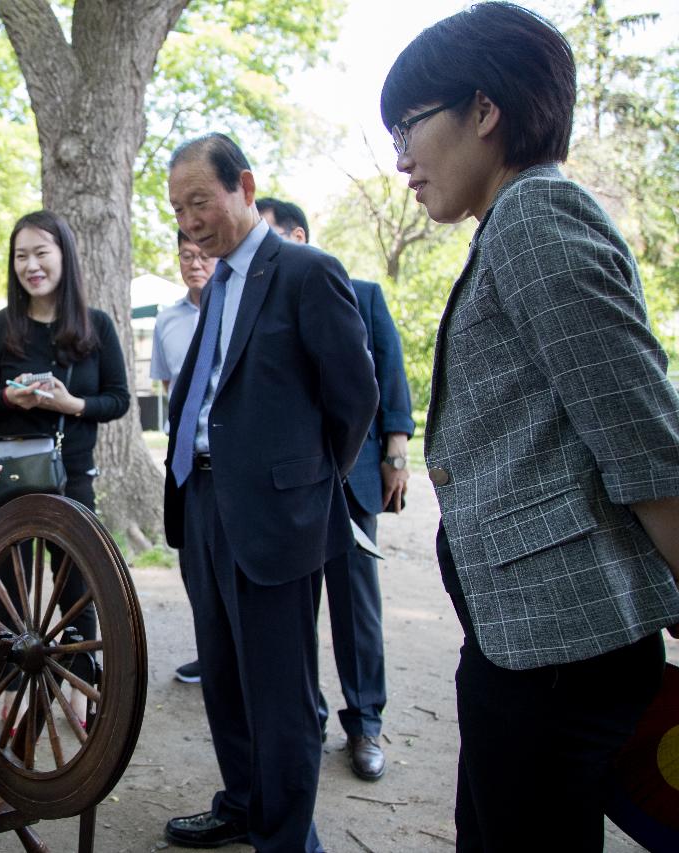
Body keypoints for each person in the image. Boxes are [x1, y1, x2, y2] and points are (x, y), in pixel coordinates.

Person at [381, 4, 679, 849]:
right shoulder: (510, 225)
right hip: (523, 651)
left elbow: (645, 442)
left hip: (564, 660)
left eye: (409, 125)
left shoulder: (538, 219)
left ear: (484, 110)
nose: (400, 158)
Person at [162, 134, 378, 851]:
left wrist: (306, 483)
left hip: (275, 515)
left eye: (201, 201)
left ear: (244, 186)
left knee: (281, 694)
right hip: (203, 506)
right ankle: (244, 801)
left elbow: (354, 397)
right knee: (222, 677)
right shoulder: (214, 282)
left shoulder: (307, 272)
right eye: (177, 208)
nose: (189, 221)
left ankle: (287, 839)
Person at [257, 197, 414, 781]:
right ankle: (306, 720)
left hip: (352, 480)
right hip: (286, 486)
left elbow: (389, 380)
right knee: (292, 609)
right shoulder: (254, 301)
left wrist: (396, 456)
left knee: (356, 606)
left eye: (270, 236)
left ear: (298, 234)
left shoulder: (362, 291)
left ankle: (366, 723)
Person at [0, 209, 131, 723]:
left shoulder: (95, 325)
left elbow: (119, 399)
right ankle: (10, 693)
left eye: (41, 252)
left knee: (78, 587)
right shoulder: (1, 327)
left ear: (64, 256)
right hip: (9, 476)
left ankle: (81, 691)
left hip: (72, 475)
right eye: (21, 255)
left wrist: (70, 405)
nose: (31, 265)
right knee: (10, 588)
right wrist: (12, 399)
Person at [149, 231, 216, 686]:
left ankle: (233, 657)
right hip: (182, 458)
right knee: (192, 561)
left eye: (203, 255)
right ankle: (209, 653)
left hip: (226, 458)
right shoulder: (167, 320)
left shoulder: (233, 309)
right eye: (186, 256)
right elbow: (169, 388)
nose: (195, 264)